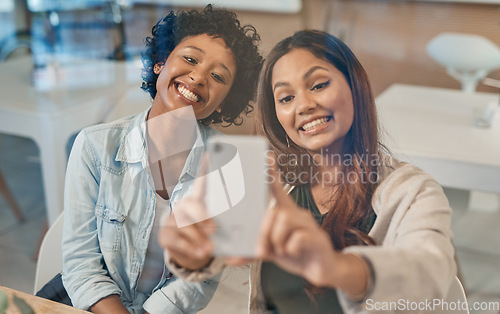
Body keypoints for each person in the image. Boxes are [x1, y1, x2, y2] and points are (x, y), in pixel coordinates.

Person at [159, 30, 456, 313]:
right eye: (286, 98)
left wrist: (334, 267)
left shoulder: (411, 190)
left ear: (355, 86)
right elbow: (202, 250)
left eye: (318, 85)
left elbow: (432, 273)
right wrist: (187, 249)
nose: (304, 105)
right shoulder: (268, 182)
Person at [61, 5, 262, 313]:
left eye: (218, 76)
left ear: (225, 103)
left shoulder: (226, 165)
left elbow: (200, 280)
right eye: (191, 59)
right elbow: (80, 264)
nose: (197, 77)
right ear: (160, 62)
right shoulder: (93, 146)